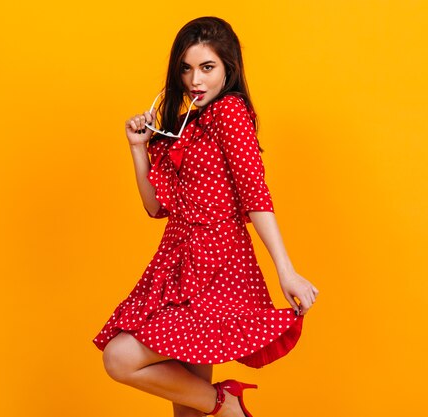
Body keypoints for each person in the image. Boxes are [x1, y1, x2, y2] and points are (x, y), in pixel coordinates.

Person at [92, 16, 319, 417]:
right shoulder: (188, 125)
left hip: (215, 261)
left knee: (121, 359)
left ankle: (225, 403)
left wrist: (286, 270)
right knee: (186, 406)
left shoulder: (229, 112)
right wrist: (137, 148)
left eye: (207, 67)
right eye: (186, 68)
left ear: (228, 68)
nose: (195, 80)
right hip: (177, 260)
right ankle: (219, 406)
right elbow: (154, 207)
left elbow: (255, 194)